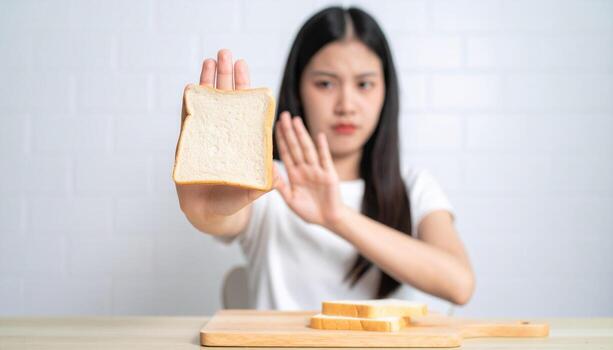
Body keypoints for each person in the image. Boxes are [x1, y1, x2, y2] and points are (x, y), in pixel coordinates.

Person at [175, 6, 475, 310]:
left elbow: (460, 285)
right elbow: (220, 217)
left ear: (386, 91)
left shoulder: (414, 186)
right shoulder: (269, 181)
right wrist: (203, 211)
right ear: (299, 89)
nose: (347, 105)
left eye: (364, 84)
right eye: (326, 84)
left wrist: (337, 216)